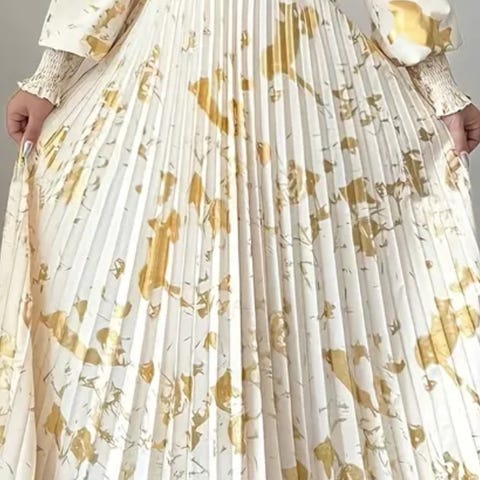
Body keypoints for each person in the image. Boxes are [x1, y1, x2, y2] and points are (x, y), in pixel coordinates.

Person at [2, 0, 480, 478]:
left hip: (300, 85)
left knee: (300, 309)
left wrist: (438, 86)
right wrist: (51, 75)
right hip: (176, 85)